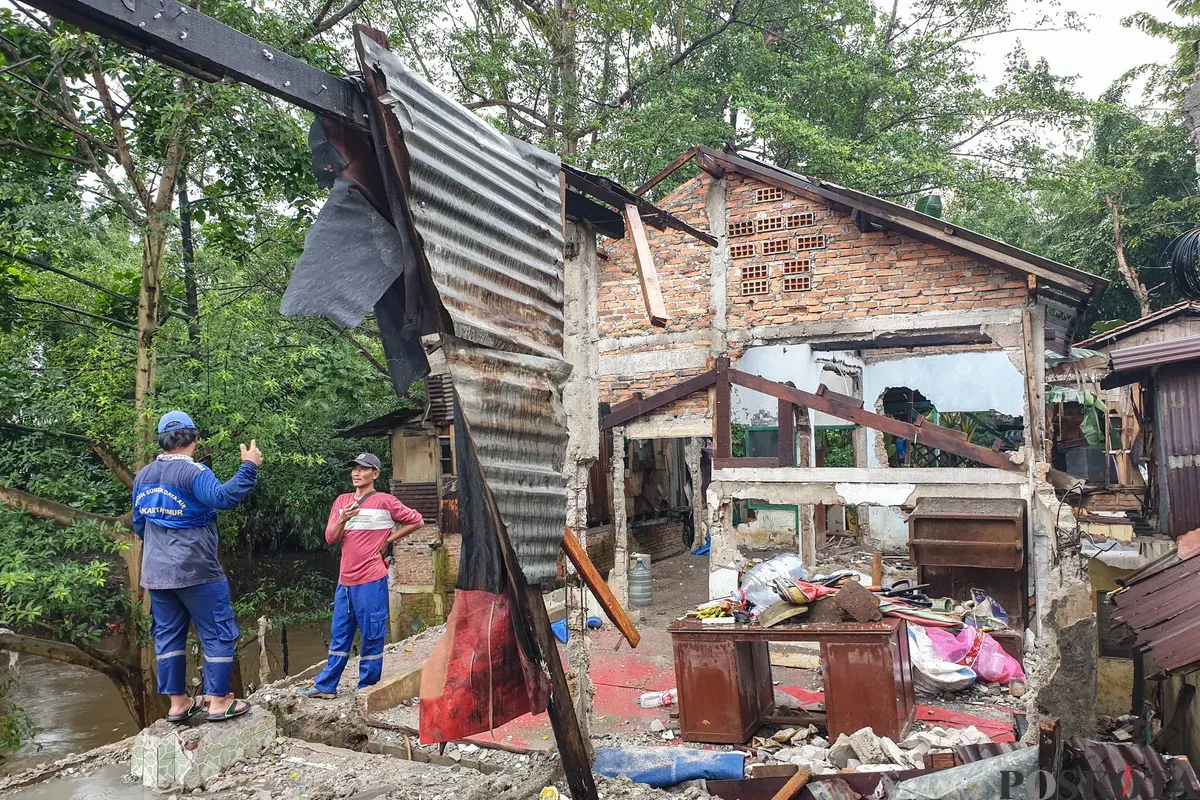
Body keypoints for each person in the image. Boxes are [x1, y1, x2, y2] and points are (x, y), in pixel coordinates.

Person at [132, 411, 262, 723]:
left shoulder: (143, 476)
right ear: (194, 438)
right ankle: (218, 701)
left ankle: (178, 704)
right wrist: (249, 467)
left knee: (167, 636)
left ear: (162, 441)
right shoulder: (194, 472)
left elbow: (139, 524)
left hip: (156, 574)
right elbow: (223, 497)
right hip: (197, 570)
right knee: (217, 632)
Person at [300, 453, 423, 698]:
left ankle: (367, 686)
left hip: (372, 579)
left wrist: (387, 540)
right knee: (339, 634)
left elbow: (417, 521)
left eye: (363, 469)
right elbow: (331, 538)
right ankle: (326, 686)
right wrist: (342, 519)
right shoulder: (342, 501)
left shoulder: (385, 501)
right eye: (354, 468)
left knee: (372, 633)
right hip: (345, 582)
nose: (357, 473)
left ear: (375, 474)